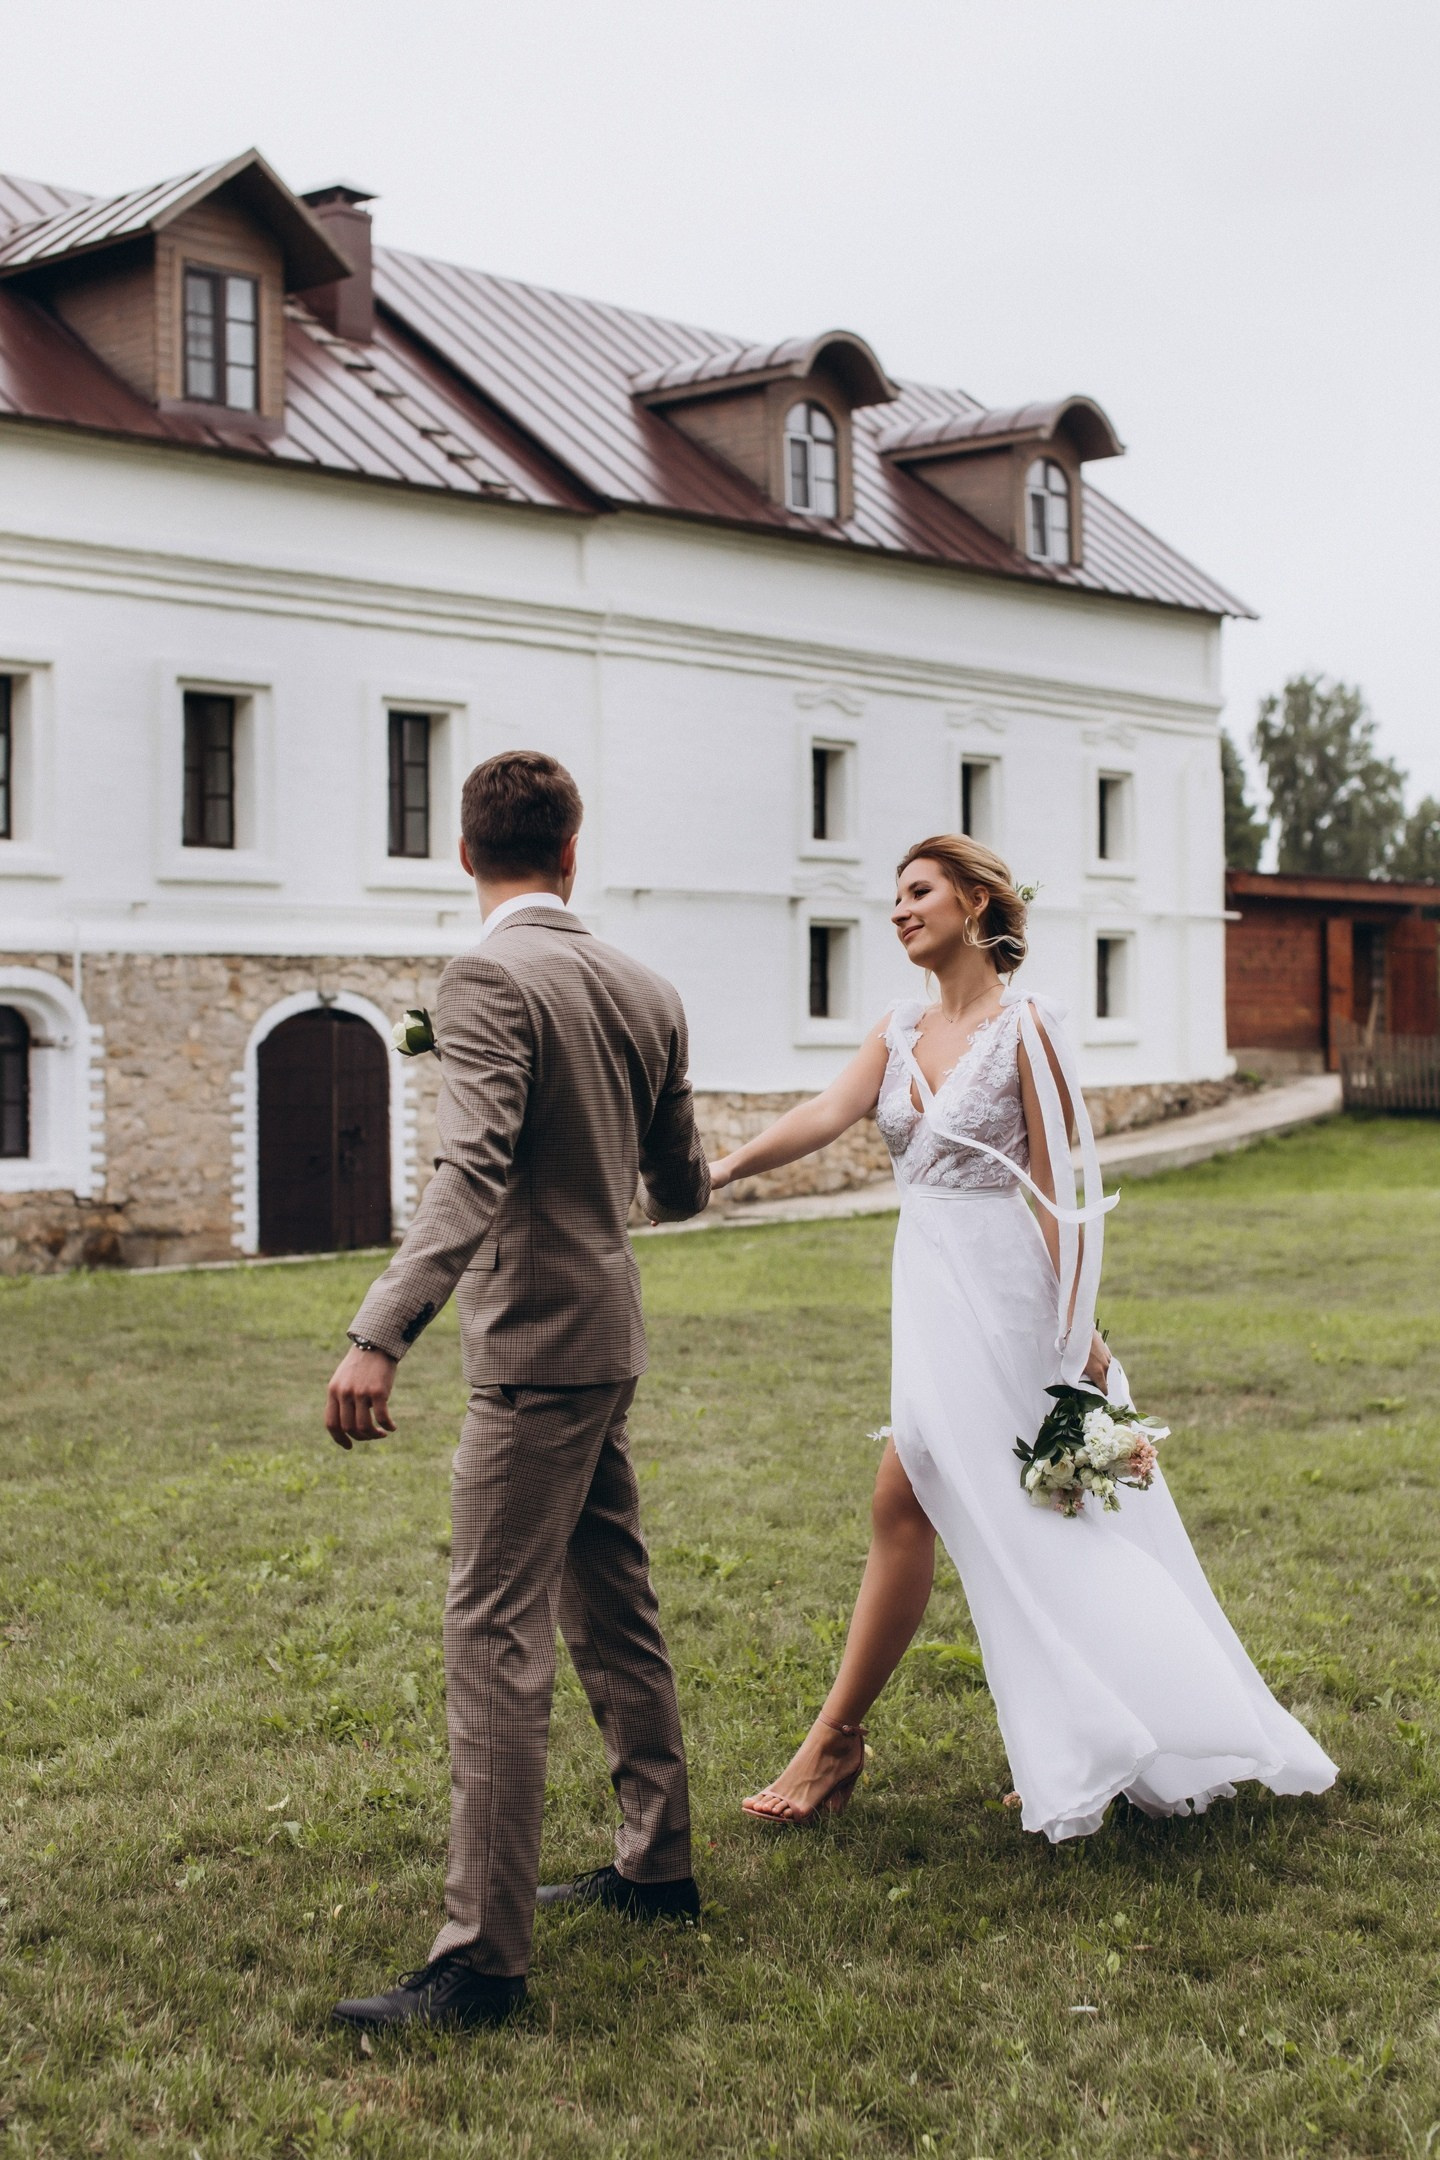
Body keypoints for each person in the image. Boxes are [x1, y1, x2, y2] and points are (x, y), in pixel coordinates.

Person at [712, 834, 1336, 1839]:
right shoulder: (899, 1029)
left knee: (993, 1511)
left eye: (919, 891)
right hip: (929, 1294)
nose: (899, 910)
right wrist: (721, 1171)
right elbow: (828, 1110)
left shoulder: (1029, 1026)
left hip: (1009, 1303)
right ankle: (1069, 1732)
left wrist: (1075, 1330)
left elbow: (1059, 1188)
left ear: (973, 902)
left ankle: (852, 1741)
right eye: (895, 896)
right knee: (944, 1506)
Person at [324, 751, 711, 2033]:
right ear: (572, 851)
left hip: (538, 1350)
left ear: (464, 853)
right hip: (607, 1334)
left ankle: (482, 1962)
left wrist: (382, 1329)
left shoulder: (488, 976)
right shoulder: (647, 988)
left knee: (493, 1631)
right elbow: (681, 1188)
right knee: (613, 1600)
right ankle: (657, 1866)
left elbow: (471, 1170)